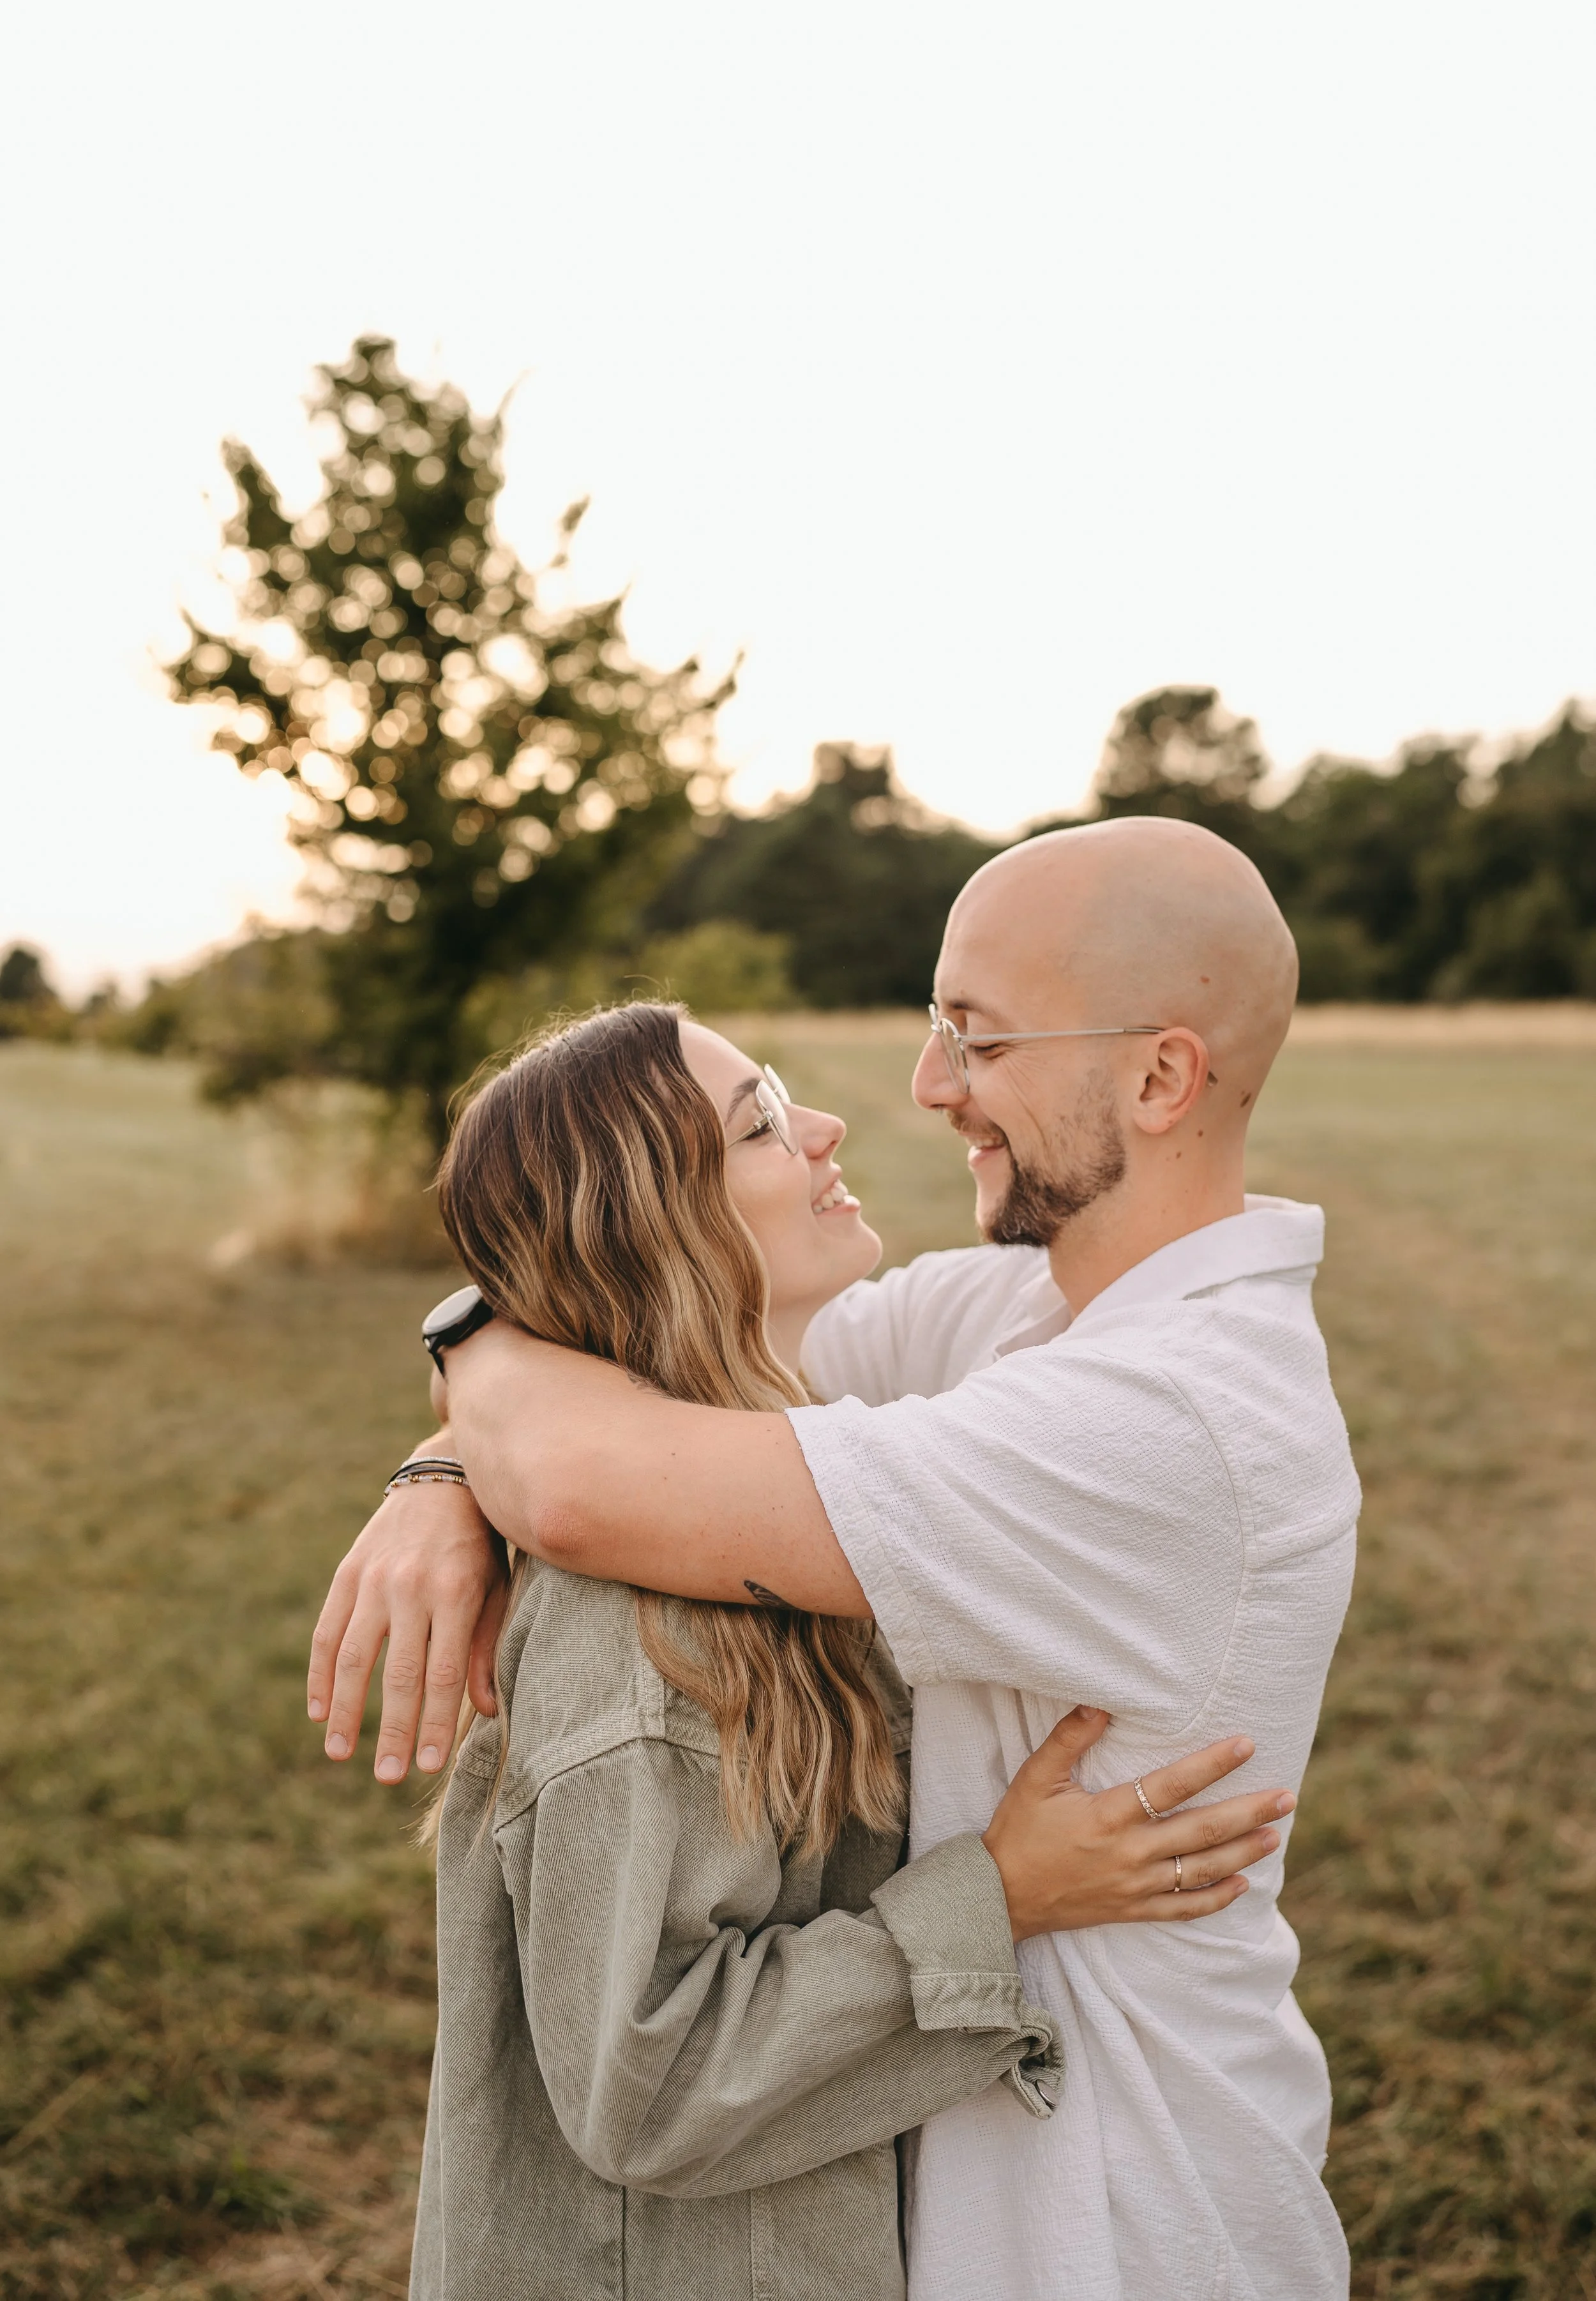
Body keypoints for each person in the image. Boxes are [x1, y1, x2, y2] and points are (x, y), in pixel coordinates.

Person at [314, 817, 1360, 2300]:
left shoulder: (1161, 1422)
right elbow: (623, 1329)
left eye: (978, 1042)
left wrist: (466, 1447)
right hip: (961, 2186)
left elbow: (579, 1463)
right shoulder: (1023, 1319)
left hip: (1117, 2222)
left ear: (1156, 1076)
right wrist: (440, 1465)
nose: (926, 1090)